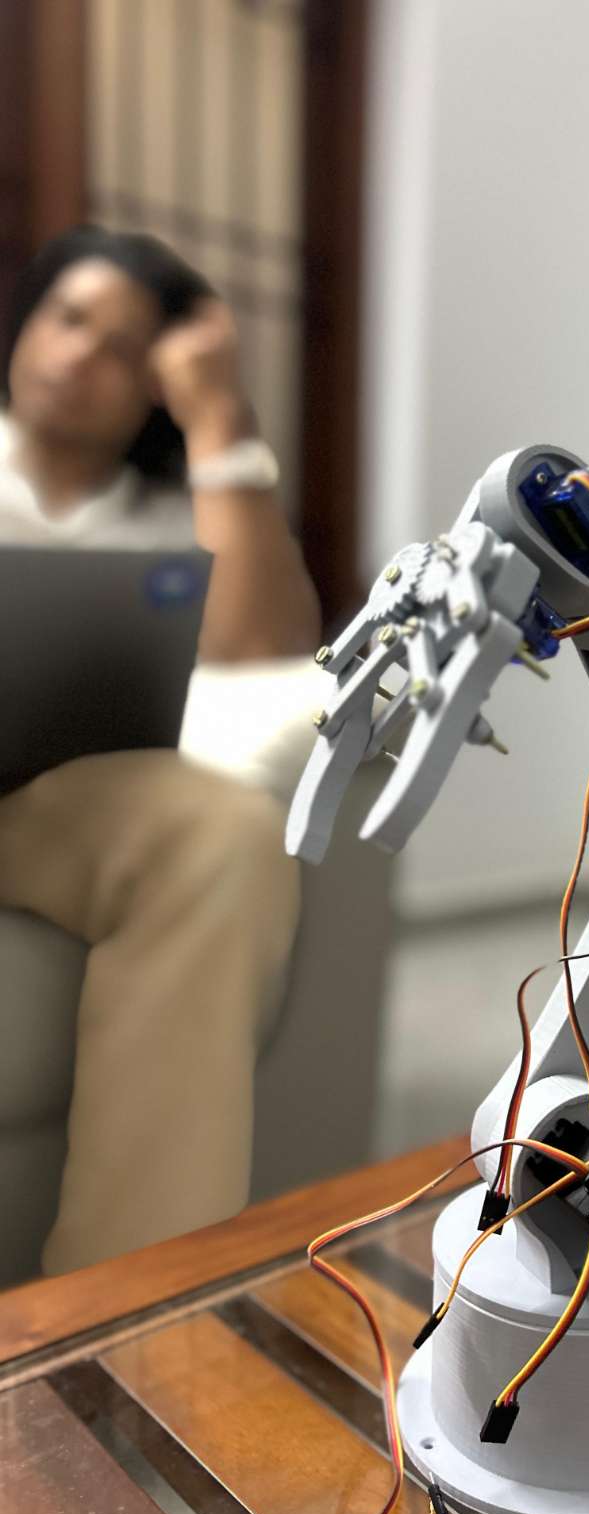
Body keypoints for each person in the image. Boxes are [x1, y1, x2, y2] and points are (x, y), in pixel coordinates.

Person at [0, 226, 321, 1275]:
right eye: (69, 319)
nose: (80, 356)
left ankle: (131, 1304)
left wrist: (219, 414)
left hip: (45, 803)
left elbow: (270, 648)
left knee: (225, 831)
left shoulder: (174, 521)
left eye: (124, 348)